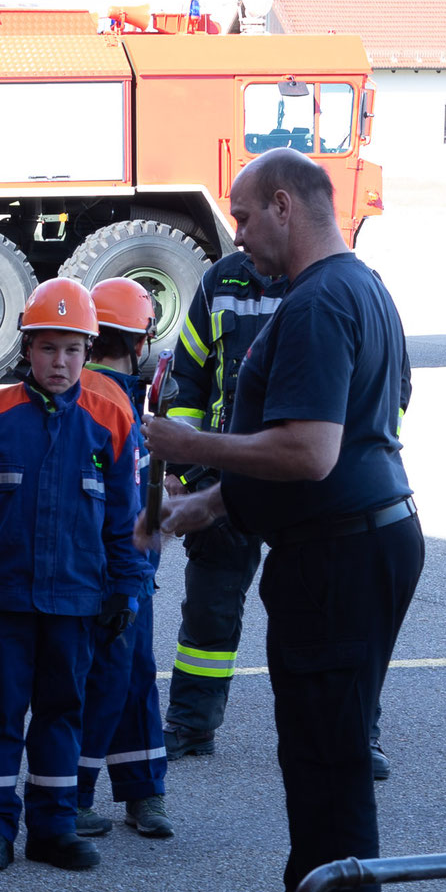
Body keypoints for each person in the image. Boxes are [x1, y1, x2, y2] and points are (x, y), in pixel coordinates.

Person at [142, 147, 420, 892]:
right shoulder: (358, 288)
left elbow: (311, 450)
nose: (236, 231)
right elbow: (331, 451)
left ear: (287, 206)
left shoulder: (318, 303)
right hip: (353, 543)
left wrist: (190, 449)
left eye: (243, 213)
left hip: (340, 558)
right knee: (313, 764)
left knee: (330, 770)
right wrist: (211, 507)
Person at [0, 278, 148, 874]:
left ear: (89, 351)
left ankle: (53, 827)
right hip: (3, 598)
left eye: (73, 350)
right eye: (49, 348)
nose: (61, 362)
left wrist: (126, 590)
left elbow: (124, 517)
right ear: (27, 348)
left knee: (62, 712)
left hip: (78, 600)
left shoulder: (110, 418)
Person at [159, 251, 280, 762]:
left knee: (334, 615)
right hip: (221, 472)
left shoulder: (337, 283)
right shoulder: (222, 279)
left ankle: (359, 734)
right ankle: (191, 725)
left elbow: (391, 389)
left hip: (307, 477)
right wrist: (184, 471)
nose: (240, 233)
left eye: (247, 218)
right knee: (209, 608)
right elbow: (186, 376)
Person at [73, 277, 172, 840]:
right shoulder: (107, 400)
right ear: (139, 339)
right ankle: (85, 793)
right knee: (113, 679)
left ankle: (142, 791)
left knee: (128, 676)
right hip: (117, 566)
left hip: (119, 564)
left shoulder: (98, 391)